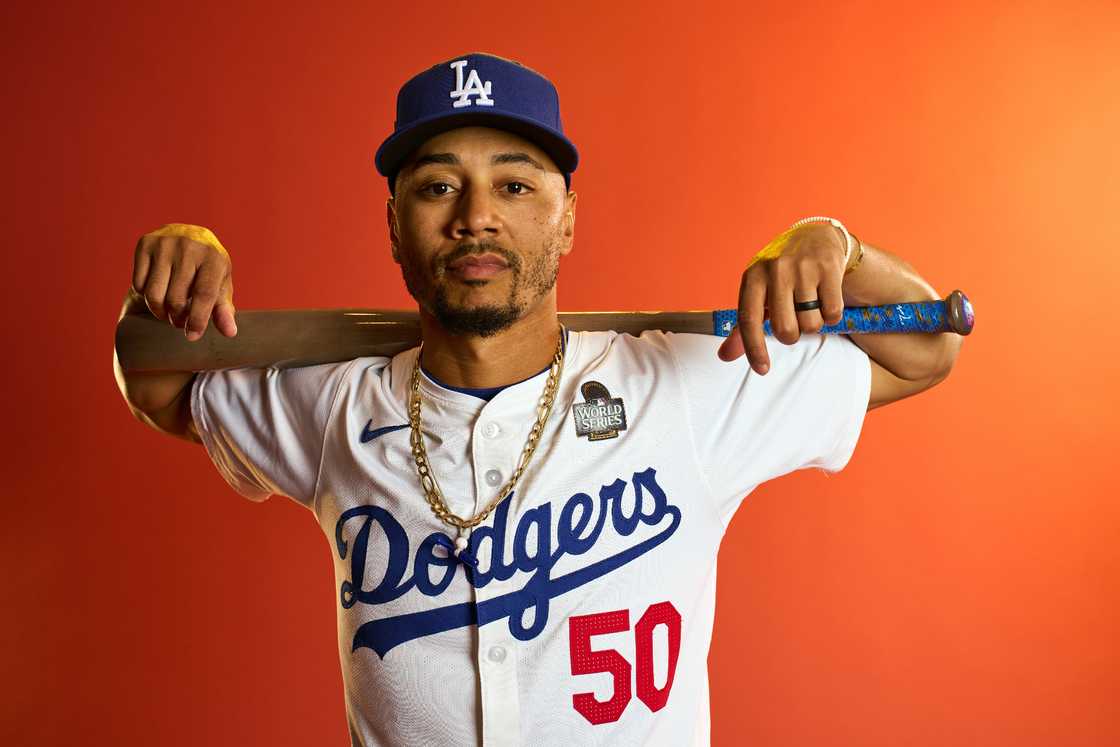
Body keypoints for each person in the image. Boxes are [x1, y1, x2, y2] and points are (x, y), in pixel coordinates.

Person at [114, 52, 963, 747]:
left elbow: (929, 344)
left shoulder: (683, 386)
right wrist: (179, 267)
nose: (476, 217)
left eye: (515, 186)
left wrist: (835, 245)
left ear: (568, 219)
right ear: (394, 225)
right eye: (437, 186)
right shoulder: (335, 408)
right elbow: (153, 379)